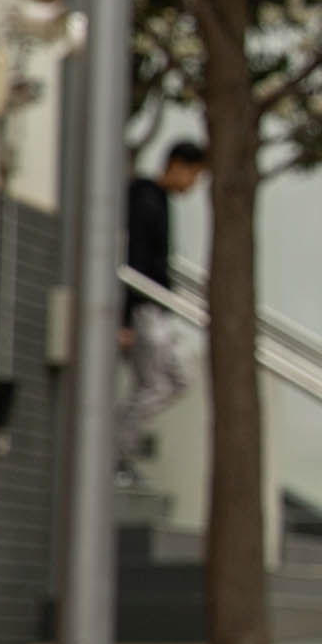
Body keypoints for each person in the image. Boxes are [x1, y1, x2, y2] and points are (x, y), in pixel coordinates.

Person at [116, 139, 206, 487]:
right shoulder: (144, 199)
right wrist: (125, 319)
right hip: (142, 308)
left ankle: (118, 446)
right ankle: (116, 452)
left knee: (177, 377)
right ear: (178, 166)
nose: (193, 185)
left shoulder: (158, 199)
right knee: (153, 384)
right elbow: (134, 260)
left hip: (154, 307)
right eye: (194, 176)